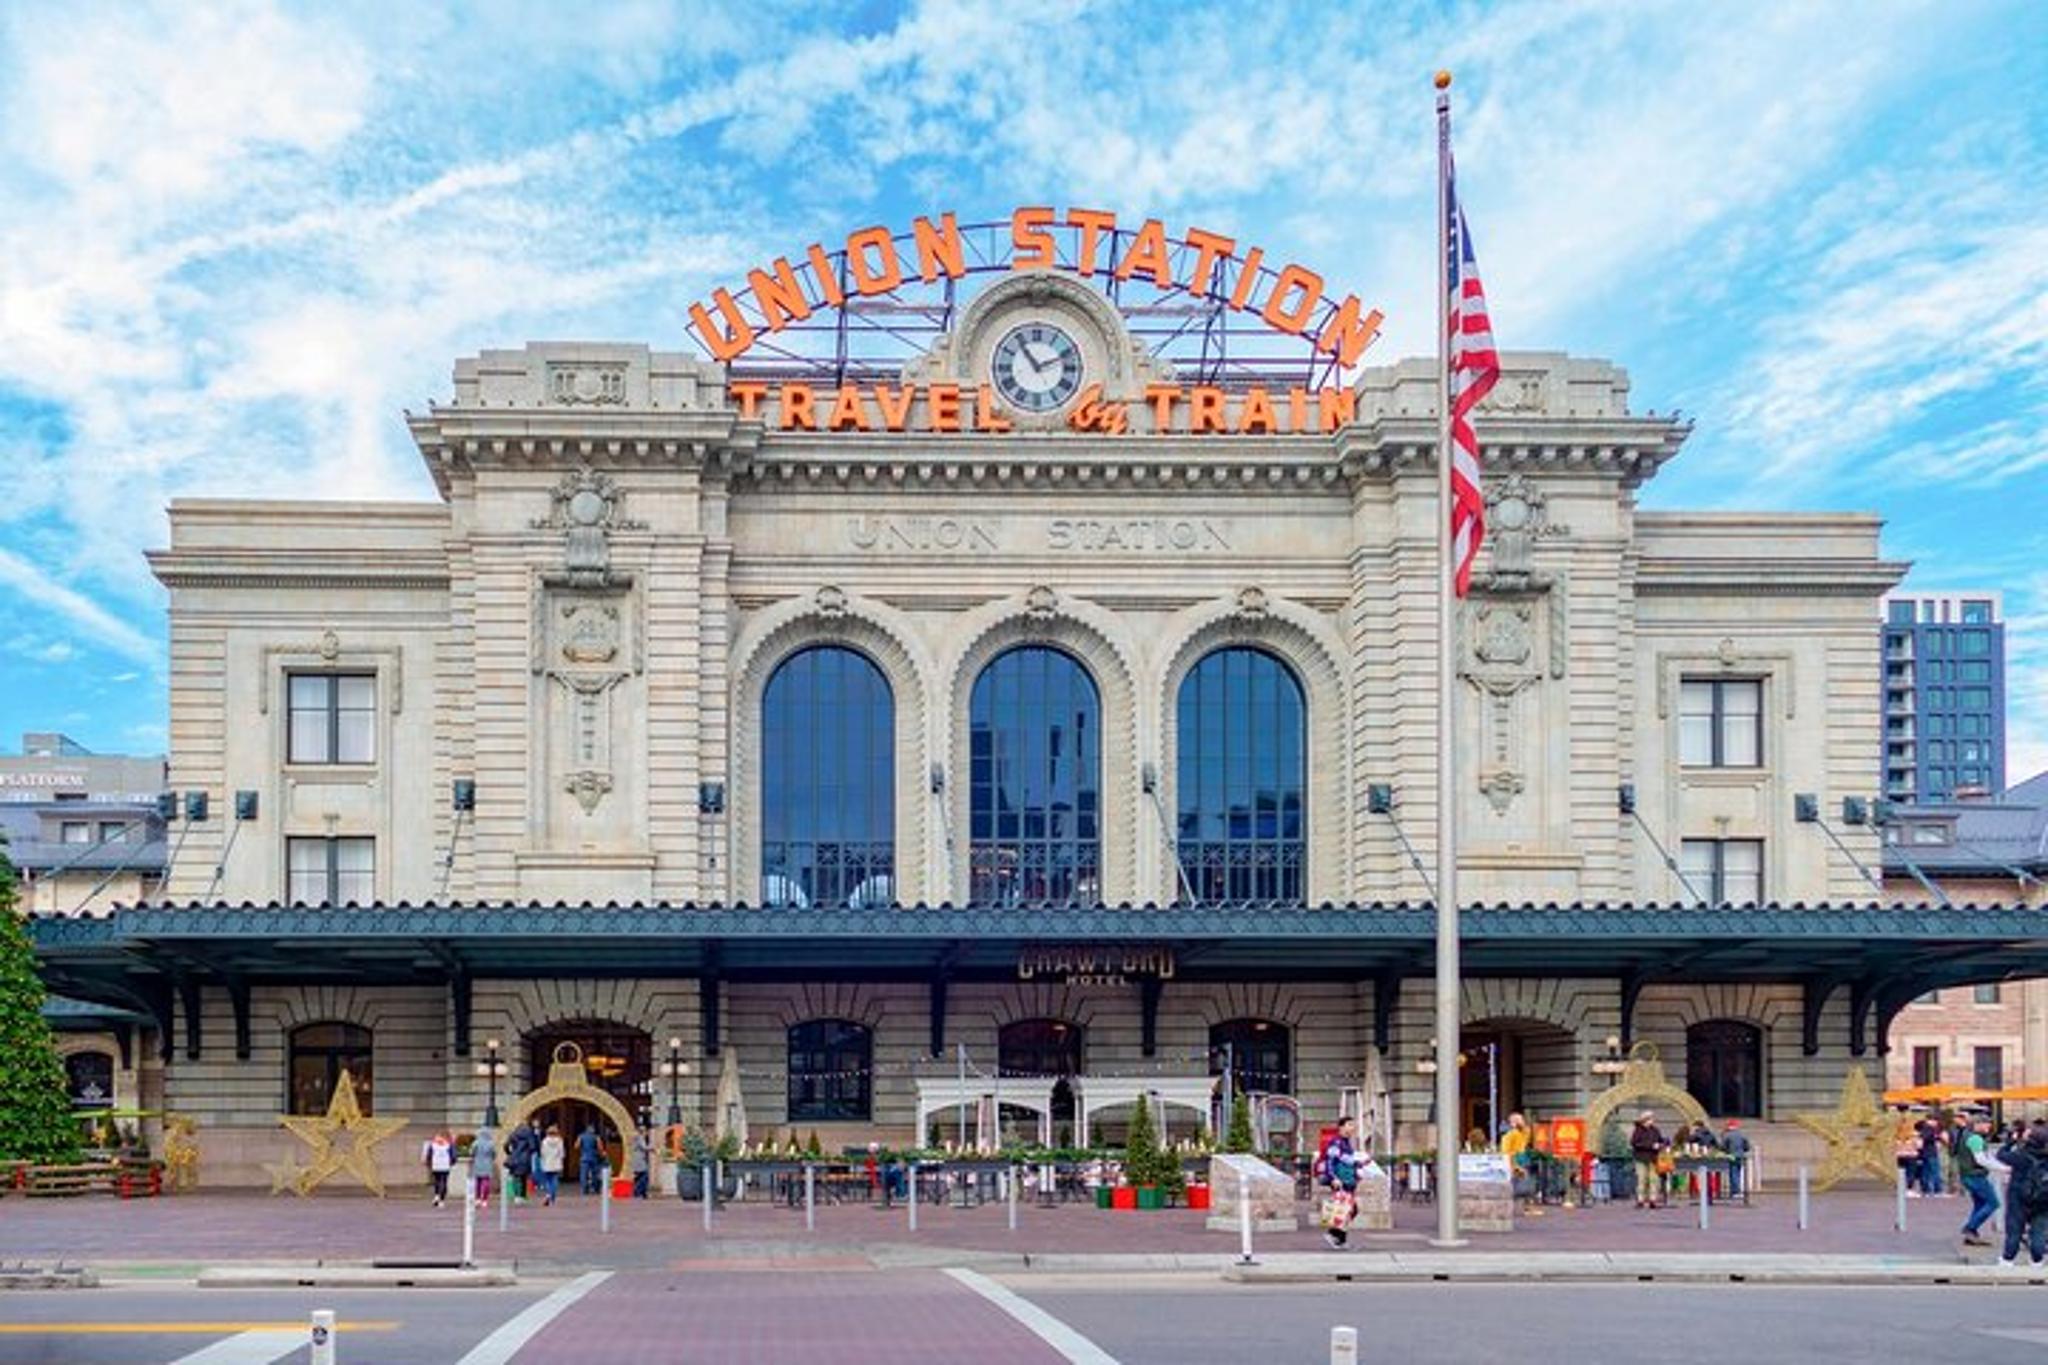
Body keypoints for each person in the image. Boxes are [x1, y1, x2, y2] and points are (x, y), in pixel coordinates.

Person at [1997, 1120, 2048, 1268]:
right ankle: (2037, 1259)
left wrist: (2010, 1141)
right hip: (2043, 1199)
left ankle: (2007, 1259)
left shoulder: (2020, 1156)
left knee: (2014, 1229)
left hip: (2018, 1197)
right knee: (2039, 1230)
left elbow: (2001, 1155)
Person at [1318, 1115, 1361, 1249]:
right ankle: (1334, 1235)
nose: (1352, 1128)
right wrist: (1334, 1178)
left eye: (1353, 1125)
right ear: (1341, 1127)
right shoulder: (1336, 1142)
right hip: (1340, 1181)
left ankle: (1339, 1239)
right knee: (1348, 1209)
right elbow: (1330, 1161)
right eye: (1349, 1125)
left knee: (1347, 1210)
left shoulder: (1346, 1142)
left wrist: (1357, 1168)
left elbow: (1347, 1160)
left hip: (1349, 1180)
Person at [1957, 1113, 2000, 1247]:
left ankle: (1972, 1234)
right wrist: (2003, 1168)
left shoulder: (1966, 1135)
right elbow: (1981, 1159)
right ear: (1978, 1124)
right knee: (1993, 1203)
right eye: (1987, 1123)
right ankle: (1969, 1228)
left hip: (1968, 1175)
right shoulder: (1975, 1139)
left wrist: (2000, 1165)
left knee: (1980, 1204)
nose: (1989, 1126)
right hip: (1976, 1176)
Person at [1630, 1111, 1667, 1210]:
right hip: (1641, 1158)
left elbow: (1660, 1140)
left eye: (1652, 1118)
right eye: (1650, 1118)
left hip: (1653, 1158)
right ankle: (1640, 1200)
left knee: (1653, 1179)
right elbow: (1634, 1143)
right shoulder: (1638, 1130)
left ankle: (1652, 1200)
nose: (1652, 1120)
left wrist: (1663, 1143)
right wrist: (1650, 1146)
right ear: (1645, 1120)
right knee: (1641, 1179)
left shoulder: (1655, 1130)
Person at [506, 1119, 539, 1205]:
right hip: (525, 1158)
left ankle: (516, 1196)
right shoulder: (529, 1134)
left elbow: (506, 1145)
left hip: (515, 1157)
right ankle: (523, 1196)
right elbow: (533, 1147)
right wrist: (529, 1153)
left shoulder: (513, 1133)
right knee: (524, 1177)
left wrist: (510, 1153)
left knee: (515, 1177)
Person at [422, 1128, 454, 1208]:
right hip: (445, 1166)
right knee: (444, 1182)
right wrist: (451, 1163)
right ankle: (442, 1200)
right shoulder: (448, 1145)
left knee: (437, 1181)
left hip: (436, 1165)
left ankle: (436, 1195)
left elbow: (429, 1155)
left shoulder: (433, 1145)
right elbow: (453, 1156)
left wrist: (429, 1163)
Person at [1720, 1120, 1751, 1200]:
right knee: (1738, 1172)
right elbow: (1747, 1146)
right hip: (1740, 1155)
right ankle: (1737, 1190)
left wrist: (1725, 1151)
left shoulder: (1727, 1135)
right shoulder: (1741, 1134)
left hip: (1731, 1156)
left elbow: (1723, 1147)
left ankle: (1735, 1191)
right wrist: (1742, 1150)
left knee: (1733, 1173)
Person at [470, 1125, 496, 1210]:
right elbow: (493, 1154)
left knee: (478, 1181)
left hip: (477, 1162)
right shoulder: (491, 1143)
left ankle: (477, 1198)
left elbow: (472, 1152)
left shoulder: (476, 1142)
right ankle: (484, 1199)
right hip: (487, 1163)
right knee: (486, 1180)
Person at [539, 1124, 565, 1206]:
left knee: (547, 1180)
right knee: (554, 1180)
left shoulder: (544, 1141)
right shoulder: (560, 1141)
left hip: (547, 1163)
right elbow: (562, 1154)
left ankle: (548, 1194)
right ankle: (552, 1198)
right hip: (556, 1163)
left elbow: (542, 1153)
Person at [578, 1125, 605, 1195]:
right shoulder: (596, 1137)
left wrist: (582, 1148)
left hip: (584, 1158)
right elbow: (600, 1147)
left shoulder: (581, 1136)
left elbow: (576, 1146)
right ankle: (595, 1188)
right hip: (594, 1157)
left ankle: (584, 1189)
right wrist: (601, 1154)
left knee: (583, 1174)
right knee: (595, 1174)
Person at [630, 1126, 653, 1199]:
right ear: (643, 1131)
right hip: (640, 1160)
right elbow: (644, 1147)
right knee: (645, 1176)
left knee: (639, 1176)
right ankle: (638, 1192)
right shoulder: (640, 1138)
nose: (647, 1133)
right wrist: (652, 1147)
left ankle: (641, 1193)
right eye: (646, 1131)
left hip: (636, 1159)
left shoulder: (636, 1137)